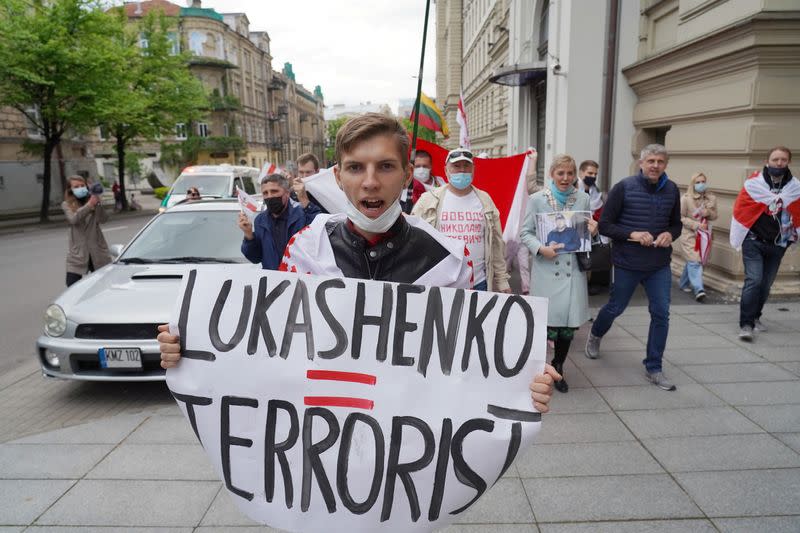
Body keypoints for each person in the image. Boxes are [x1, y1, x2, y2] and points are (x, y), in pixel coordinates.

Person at [159, 113, 557, 412]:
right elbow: (271, 355)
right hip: (324, 438)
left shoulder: (449, 259)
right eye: (355, 167)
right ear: (338, 177)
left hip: (408, 446)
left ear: (407, 176)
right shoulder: (305, 250)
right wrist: (192, 353)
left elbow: (466, 364)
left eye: (385, 166)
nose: (370, 181)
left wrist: (523, 382)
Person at [585, 144, 682, 391]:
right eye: (651, 160)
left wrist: (670, 235)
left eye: (660, 161)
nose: (655, 165)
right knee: (616, 307)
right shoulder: (624, 187)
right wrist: (633, 234)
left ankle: (654, 367)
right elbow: (605, 225)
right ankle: (596, 333)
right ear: (641, 163)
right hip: (627, 262)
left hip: (658, 263)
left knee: (661, 313)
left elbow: (676, 225)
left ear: (665, 165)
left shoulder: (671, 189)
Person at [521, 155, 598, 393]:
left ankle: (559, 366)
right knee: (545, 327)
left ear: (575, 175)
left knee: (567, 327)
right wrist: (540, 248)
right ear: (552, 174)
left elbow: (586, 231)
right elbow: (525, 232)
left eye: (569, 173)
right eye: (560, 173)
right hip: (546, 271)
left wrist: (594, 231)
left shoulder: (582, 198)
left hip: (572, 272)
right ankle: (538, 370)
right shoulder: (537, 199)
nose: (565, 178)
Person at [412, 148, 512, 293]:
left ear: (473, 170)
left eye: (466, 166)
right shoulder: (429, 200)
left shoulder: (485, 200)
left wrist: (502, 281)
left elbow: (496, 244)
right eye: (456, 166)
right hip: (440, 284)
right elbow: (413, 240)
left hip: (478, 283)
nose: (462, 171)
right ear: (446, 170)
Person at [731, 146, 800, 341]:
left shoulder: (795, 187)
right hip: (753, 241)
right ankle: (746, 324)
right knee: (754, 280)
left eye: (783, 160)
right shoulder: (754, 185)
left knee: (766, 284)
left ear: (788, 162)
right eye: (775, 159)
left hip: (778, 243)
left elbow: (798, 213)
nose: (779, 163)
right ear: (767, 161)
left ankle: (755, 316)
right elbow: (741, 210)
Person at [239, 173, 320, 270]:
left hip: (301, 280)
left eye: (274, 191)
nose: (269, 196)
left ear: (287, 193)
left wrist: (304, 199)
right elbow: (255, 258)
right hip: (273, 282)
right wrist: (248, 235)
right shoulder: (260, 221)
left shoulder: (301, 215)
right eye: (265, 193)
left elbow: (320, 227)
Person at [62, 175, 112, 287]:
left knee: (101, 286)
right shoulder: (66, 204)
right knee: (71, 285)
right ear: (70, 189)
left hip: (97, 251)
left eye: (82, 185)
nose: (80, 188)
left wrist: (97, 203)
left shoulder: (93, 200)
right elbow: (73, 219)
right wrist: (90, 205)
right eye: (76, 186)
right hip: (78, 254)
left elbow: (103, 219)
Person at [679, 172, 718, 302]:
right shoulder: (686, 198)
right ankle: (699, 290)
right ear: (692, 183)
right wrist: (696, 225)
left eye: (703, 181)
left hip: (705, 235)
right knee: (695, 261)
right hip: (690, 234)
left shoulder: (710, 198)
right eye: (698, 182)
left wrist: (708, 212)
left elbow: (714, 216)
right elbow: (680, 217)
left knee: (694, 260)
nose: (701, 184)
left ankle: (683, 283)